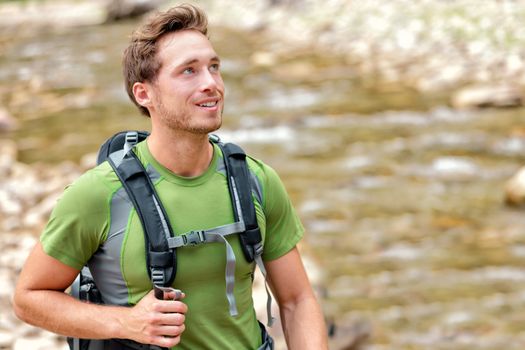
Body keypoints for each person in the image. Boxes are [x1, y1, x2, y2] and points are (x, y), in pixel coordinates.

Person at [13, 4, 328, 349]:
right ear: (144, 93)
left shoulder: (255, 180)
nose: (211, 83)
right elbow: (29, 297)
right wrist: (126, 322)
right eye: (188, 72)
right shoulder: (98, 194)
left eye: (214, 67)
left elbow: (298, 300)